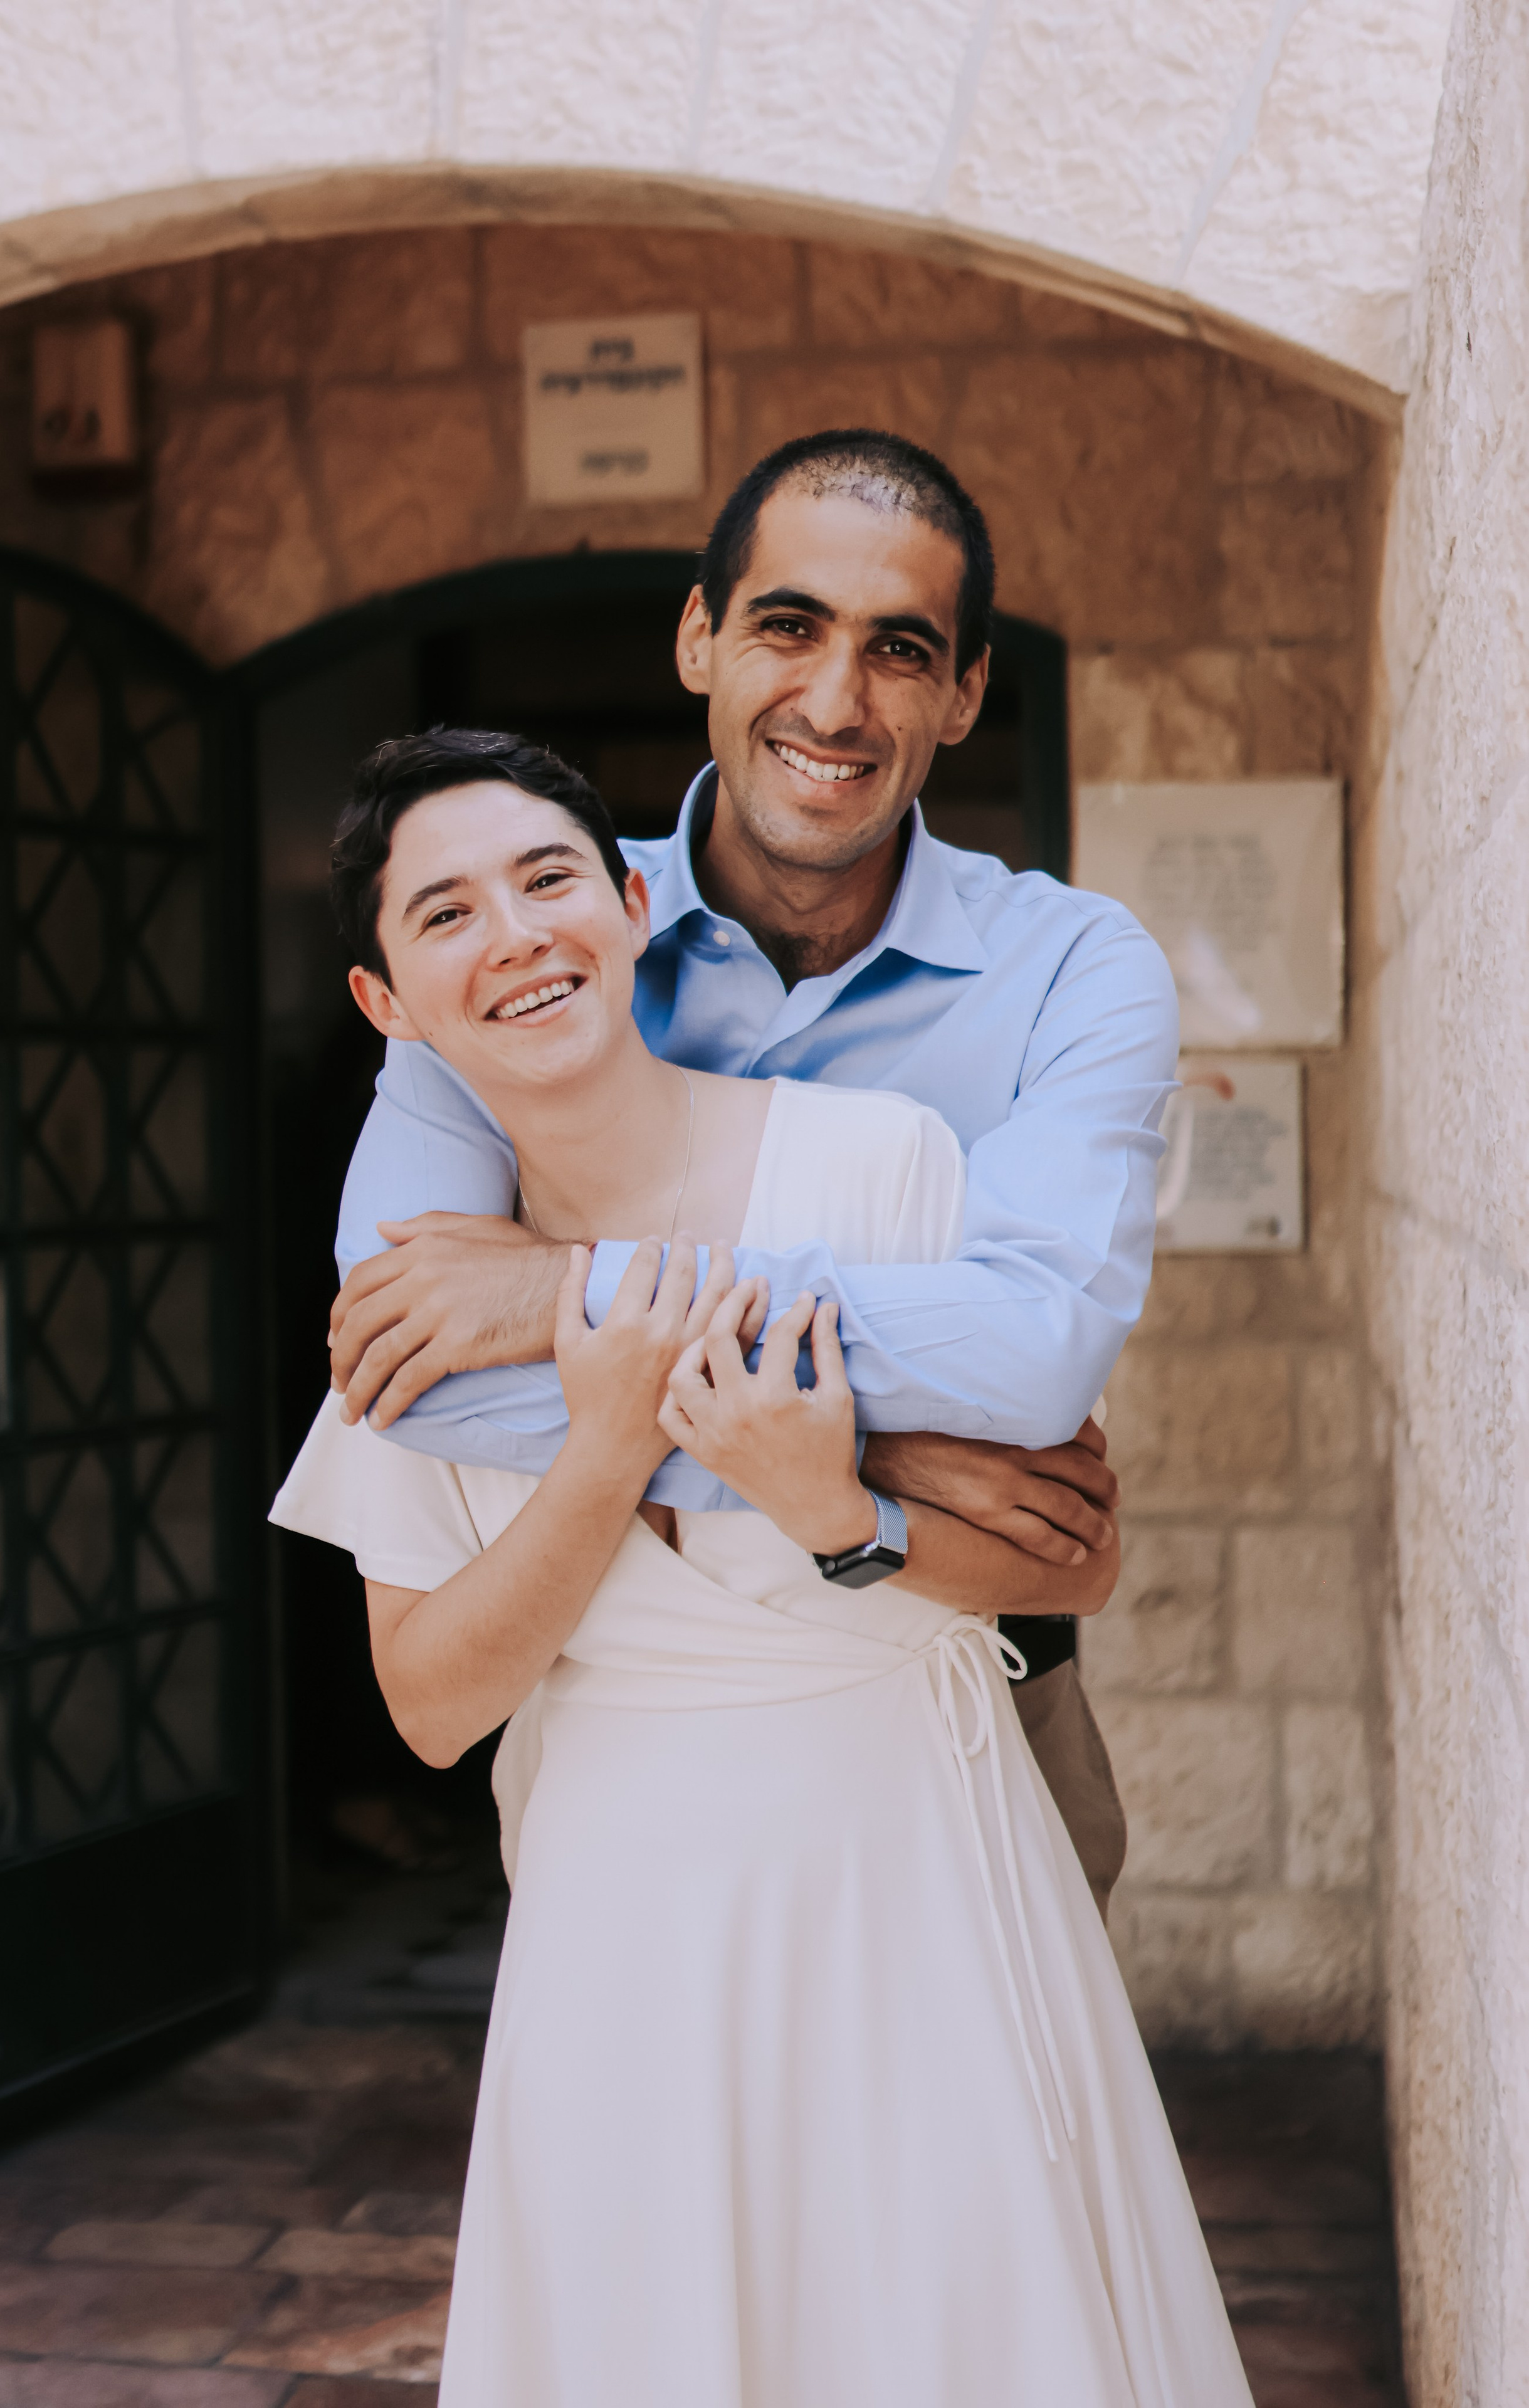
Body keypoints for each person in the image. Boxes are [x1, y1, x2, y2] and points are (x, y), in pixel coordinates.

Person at [271, 729, 1250, 2404]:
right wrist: (599, 1452)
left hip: (912, 1863)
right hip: (622, 1912)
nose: (512, 933)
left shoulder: (877, 1168)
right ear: (388, 1005)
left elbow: (1054, 1554)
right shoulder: (420, 1286)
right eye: (444, 914)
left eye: (548, 877)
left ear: (635, 901)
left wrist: (832, 1512)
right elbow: (431, 1704)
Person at [324, 428, 1178, 1918]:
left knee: (992, 2136)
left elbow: (1035, 1354)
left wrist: (564, 1297)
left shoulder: (1073, 968)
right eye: (787, 625)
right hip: (640, 1719)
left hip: (970, 1656)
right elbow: (417, 1364)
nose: (834, 701)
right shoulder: (539, 947)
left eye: (900, 650)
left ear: (965, 693)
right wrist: (861, 1458)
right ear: (698, 640)